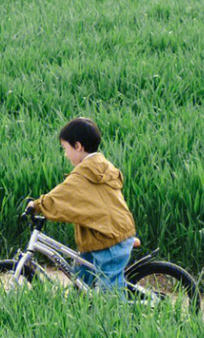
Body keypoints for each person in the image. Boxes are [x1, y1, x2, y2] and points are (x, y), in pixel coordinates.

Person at [25, 117, 137, 291]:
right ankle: (81, 310)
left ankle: (116, 316)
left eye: (65, 148)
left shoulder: (83, 174)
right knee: (81, 277)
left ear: (78, 146)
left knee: (110, 292)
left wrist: (37, 205)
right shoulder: (102, 165)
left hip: (109, 238)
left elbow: (61, 195)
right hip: (106, 232)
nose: (65, 154)